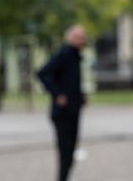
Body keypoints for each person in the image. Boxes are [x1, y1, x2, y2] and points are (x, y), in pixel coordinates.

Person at [37, 25, 88, 181]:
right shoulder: (65, 54)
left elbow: (70, 81)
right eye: (80, 37)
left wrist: (80, 95)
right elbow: (43, 73)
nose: (84, 40)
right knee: (66, 152)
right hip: (63, 112)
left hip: (72, 109)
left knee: (70, 151)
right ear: (71, 38)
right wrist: (57, 94)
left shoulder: (75, 56)